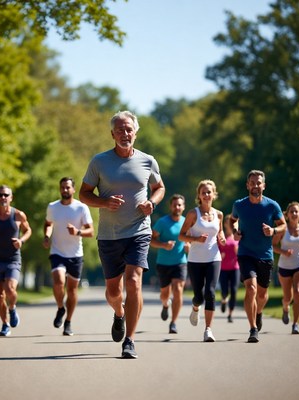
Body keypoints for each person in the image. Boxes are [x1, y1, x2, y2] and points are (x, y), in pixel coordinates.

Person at [79, 110, 165, 359]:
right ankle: (119, 314)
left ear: (135, 132)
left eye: (129, 129)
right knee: (114, 292)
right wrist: (104, 203)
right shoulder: (99, 162)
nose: (125, 134)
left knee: (134, 282)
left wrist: (153, 203)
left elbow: (159, 187)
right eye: (120, 130)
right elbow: (84, 194)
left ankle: (130, 340)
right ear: (112, 134)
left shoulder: (148, 160)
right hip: (109, 234)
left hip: (139, 230)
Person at [230, 170, 286, 343]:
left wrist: (273, 230)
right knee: (251, 289)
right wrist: (235, 231)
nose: (255, 186)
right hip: (246, 252)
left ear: (264, 185)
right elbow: (232, 220)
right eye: (252, 183)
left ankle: (259, 312)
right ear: (247, 185)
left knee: (262, 295)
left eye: (258, 182)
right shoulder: (239, 204)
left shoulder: (272, 205)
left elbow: (283, 225)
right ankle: (253, 328)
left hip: (265, 254)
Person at [43, 177, 94, 336]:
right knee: (58, 281)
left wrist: (77, 232)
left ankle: (68, 322)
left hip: (75, 255)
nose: (65, 190)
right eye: (62, 188)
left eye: (67, 187)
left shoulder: (81, 208)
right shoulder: (53, 207)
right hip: (57, 251)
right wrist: (46, 236)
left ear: (73, 189)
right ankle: (60, 307)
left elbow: (91, 231)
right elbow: (48, 224)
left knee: (72, 291)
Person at [0, 185, 32, 337]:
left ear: (11, 197)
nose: (3, 197)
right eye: (0, 195)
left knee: (9, 289)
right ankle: (5, 324)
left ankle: (13, 307)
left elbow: (28, 230)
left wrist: (21, 241)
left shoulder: (18, 215)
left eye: (6, 195)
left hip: (13, 258)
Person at [179, 179, 226, 342]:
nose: (206, 195)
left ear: (214, 194)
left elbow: (220, 232)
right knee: (199, 296)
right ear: (199, 195)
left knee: (211, 293)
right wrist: (196, 239)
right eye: (203, 192)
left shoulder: (219, 214)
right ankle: (195, 307)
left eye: (209, 192)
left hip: (214, 258)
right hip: (195, 259)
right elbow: (181, 235)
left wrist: (222, 237)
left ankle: (208, 330)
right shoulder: (193, 214)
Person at [272, 201, 299, 334]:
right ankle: (285, 308)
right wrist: (283, 252)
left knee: (298, 292)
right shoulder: (282, 230)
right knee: (287, 297)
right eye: (292, 212)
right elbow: (272, 246)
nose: (294, 214)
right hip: (284, 267)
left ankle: (295, 324)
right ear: (287, 215)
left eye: (296, 211)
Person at [150, 194, 189, 334]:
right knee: (165, 294)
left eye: (180, 205)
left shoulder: (186, 222)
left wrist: (189, 246)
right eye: (174, 205)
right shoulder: (162, 222)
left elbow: (190, 239)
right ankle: (166, 304)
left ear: (183, 207)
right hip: (163, 263)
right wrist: (163, 245)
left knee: (178, 289)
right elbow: (151, 240)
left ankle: (174, 322)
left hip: (180, 262)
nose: (177, 207)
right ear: (170, 206)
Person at [218, 214, 240, 323]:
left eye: (232, 222)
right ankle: (223, 300)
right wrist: (220, 254)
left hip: (235, 267)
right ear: (225, 224)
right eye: (228, 222)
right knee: (224, 291)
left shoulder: (238, 236)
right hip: (223, 268)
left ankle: (230, 313)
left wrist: (238, 251)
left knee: (234, 290)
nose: (230, 225)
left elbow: (242, 251)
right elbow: (216, 249)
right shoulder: (221, 236)